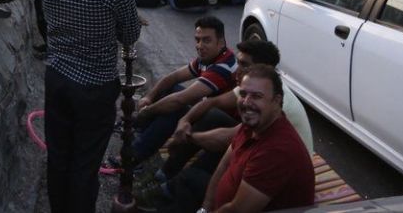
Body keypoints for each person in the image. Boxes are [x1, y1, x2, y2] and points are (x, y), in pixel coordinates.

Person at [38, 0, 143, 213]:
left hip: (56, 79)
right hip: (96, 87)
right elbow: (129, 35)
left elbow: (43, 21)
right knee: (85, 166)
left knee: (58, 158)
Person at [137, 40, 313, 212]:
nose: (237, 70)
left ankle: (162, 185)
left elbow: (238, 208)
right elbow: (212, 106)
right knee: (210, 120)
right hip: (252, 165)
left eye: (244, 64)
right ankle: (166, 183)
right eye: (244, 94)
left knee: (190, 179)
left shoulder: (275, 146)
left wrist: (187, 136)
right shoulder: (254, 109)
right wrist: (185, 123)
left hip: (271, 174)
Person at [109, 16, 236, 170]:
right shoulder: (209, 57)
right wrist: (149, 97)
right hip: (209, 111)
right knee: (169, 90)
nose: (200, 46)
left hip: (224, 124)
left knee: (176, 109)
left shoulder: (224, 66)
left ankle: (133, 156)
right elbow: (173, 77)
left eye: (206, 40)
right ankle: (139, 130)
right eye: (197, 40)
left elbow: (180, 100)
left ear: (221, 42)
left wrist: (147, 112)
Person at [201, 66, 315, 212]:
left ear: (276, 101)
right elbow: (223, 165)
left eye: (256, 96)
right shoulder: (254, 123)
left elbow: (238, 210)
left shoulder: (278, 151)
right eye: (243, 94)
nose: (246, 102)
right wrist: (205, 207)